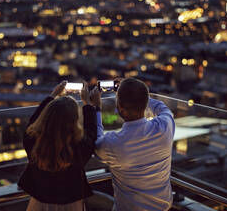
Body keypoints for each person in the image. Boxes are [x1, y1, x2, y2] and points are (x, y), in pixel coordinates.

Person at [18, 81, 101, 211]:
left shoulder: (32, 141)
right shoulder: (79, 147)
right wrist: (88, 104)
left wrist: (52, 96)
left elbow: (33, 121)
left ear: (45, 116)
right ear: (74, 121)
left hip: (39, 203)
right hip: (71, 204)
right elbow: (91, 132)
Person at [95, 78, 175, 211]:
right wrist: (137, 96)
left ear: (120, 107)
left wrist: (96, 108)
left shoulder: (113, 144)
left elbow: (96, 143)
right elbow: (163, 108)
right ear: (145, 103)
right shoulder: (164, 127)